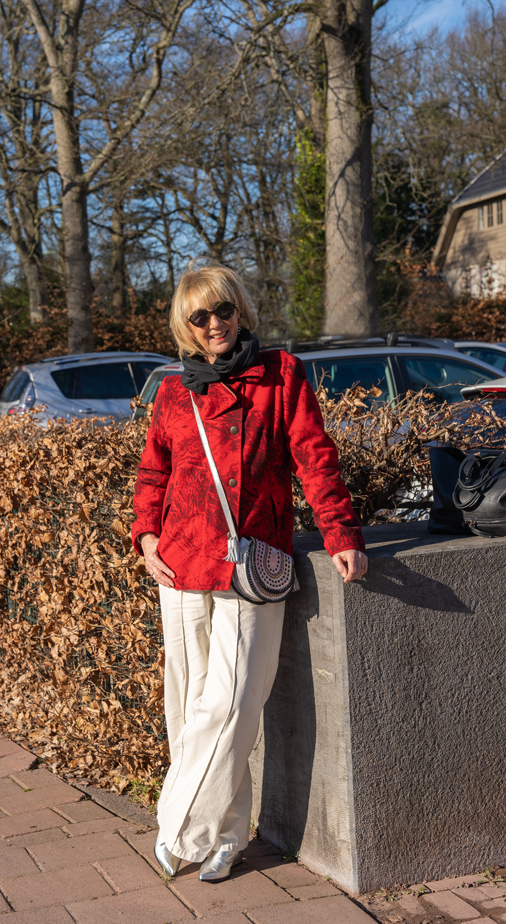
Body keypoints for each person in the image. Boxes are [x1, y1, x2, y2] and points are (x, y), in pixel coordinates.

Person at [132, 260, 367, 882]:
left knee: (233, 703)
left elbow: (314, 456)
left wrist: (340, 531)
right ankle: (228, 836)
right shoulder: (173, 391)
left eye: (224, 311)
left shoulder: (280, 374)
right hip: (180, 564)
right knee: (188, 707)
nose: (215, 324)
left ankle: (177, 826)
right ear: (185, 326)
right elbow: (155, 470)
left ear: (242, 312)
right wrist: (146, 531)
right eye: (200, 316)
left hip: (250, 564)